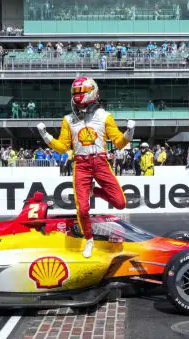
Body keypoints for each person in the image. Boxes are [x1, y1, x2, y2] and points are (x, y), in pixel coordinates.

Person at [36, 76, 135, 257]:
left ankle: (94, 191)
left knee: (120, 203)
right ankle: (88, 239)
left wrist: (130, 132)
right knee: (82, 209)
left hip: (100, 162)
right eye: (75, 93)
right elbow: (62, 147)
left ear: (92, 93)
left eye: (80, 92)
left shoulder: (105, 116)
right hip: (81, 164)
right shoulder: (68, 119)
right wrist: (45, 135)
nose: (77, 96)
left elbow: (119, 143)